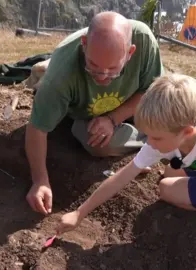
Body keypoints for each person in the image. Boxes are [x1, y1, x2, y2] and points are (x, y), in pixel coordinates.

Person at [55, 73, 196, 249]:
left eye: (156, 137)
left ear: (186, 131)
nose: (149, 143)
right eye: (147, 135)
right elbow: (123, 176)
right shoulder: (172, 134)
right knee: (169, 172)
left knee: (166, 190)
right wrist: (79, 213)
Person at [25, 11, 164, 215]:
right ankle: (156, 142)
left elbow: (152, 90)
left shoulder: (144, 41)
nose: (102, 77)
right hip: (89, 113)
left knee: (169, 113)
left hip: (135, 100)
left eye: (113, 69)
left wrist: (113, 118)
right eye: (94, 67)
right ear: (84, 44)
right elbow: (37, 128)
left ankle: (159, 139)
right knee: (99, 142)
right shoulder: (59, 77)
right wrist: (40, 181)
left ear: (130, 52)